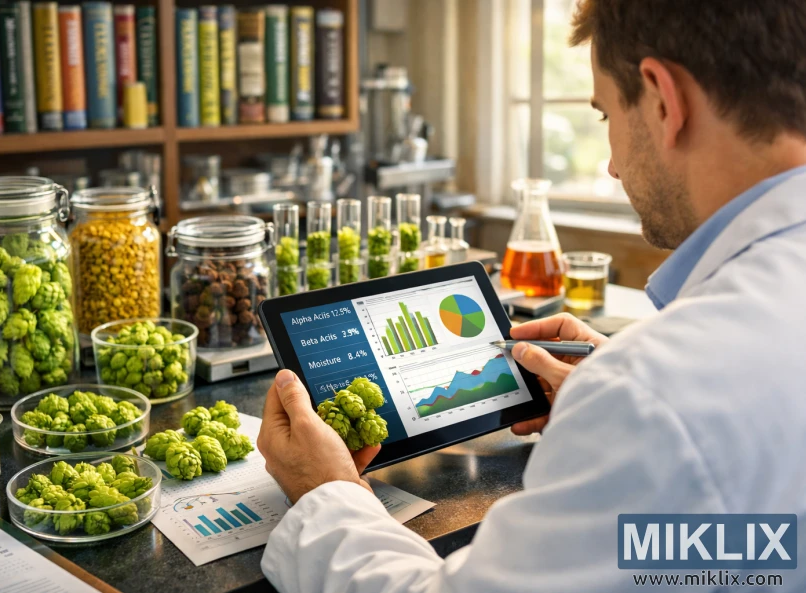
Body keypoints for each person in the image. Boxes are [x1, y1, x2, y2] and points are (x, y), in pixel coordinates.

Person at [256, 1, 806, 590]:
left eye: (604, 116)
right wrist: (615, 411)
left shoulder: (654, 396)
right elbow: (758, 549)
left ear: (664, 100)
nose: (614, 165)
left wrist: (326, 495)